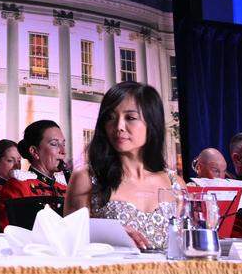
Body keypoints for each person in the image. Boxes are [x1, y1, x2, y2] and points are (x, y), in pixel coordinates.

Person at [63, 82, 185, 251]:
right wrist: (109, 233)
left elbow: (186, 243)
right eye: (110, 117)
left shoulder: (175, 183)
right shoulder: (87, 178)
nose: (119, 127)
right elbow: (68, 239)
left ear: (152, 123)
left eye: (130, 118)